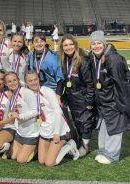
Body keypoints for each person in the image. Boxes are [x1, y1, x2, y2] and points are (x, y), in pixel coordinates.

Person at [88, 31, 130, 164]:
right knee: (105, 126)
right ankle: (104, 150)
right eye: (93, 44)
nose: (96, 46)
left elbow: (121, 84)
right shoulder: (93, 57)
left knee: (115, 127)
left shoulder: (114, 59)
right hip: (104, 100)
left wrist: (123, 105)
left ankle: (112, 155)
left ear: (104, 44)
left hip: (115, 100)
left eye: (99, 43)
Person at [25, 71, 79, 167]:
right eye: (30, 81)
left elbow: (58, 112)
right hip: (45, 131)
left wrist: (56, 133)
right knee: (41, 161)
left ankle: (70, 145)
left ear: (38, 79)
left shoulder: (47, 91)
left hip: (57, 130)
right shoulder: (29, 95)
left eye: (35, 79)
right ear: (26, 83)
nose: (33, 82)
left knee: (49, 163)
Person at [59, 34, 96, 157]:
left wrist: (89, 101)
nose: (68, 47)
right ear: (62, 47)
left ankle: (85, 148)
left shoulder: (82, 60)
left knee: (85, 122)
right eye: (65, 45)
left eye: (70, 44)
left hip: (82, 97)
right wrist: (61, 95)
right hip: (71, 97)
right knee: (77, 122)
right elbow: (64, 80)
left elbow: (90, 84)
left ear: (75, 45)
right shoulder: (64, 60)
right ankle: (80, 143)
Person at [4, 72, 39, 164]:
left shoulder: (27, 92)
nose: (12, 83)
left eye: (14, 80)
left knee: (20, 160)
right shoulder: (12, 94)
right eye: (9, 81)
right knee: (13, 156)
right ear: (6, 84)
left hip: (31, 133)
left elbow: (35, 111)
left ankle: (37, 147)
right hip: (20, 132)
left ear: (18, 81)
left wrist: (20, 116)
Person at [28, 33, 64, 103]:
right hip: (36, 91)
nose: (39, 43)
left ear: (45, 42)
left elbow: (60, 79)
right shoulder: (31, 55)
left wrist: (58, 95)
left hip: (51, 91)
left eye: (41, 41)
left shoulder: (53, 57)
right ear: (32, 43)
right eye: (36, 41)